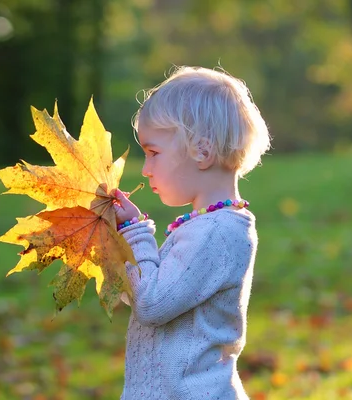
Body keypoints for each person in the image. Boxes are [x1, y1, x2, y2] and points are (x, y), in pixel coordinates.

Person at [113, 66, 271, 400]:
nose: (145, 168)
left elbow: (153, 304)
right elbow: (147, 294)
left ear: (202, 151)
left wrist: (135, 234)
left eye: (153, 152)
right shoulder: (208, 226)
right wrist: (115, 249)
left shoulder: (216, 233)